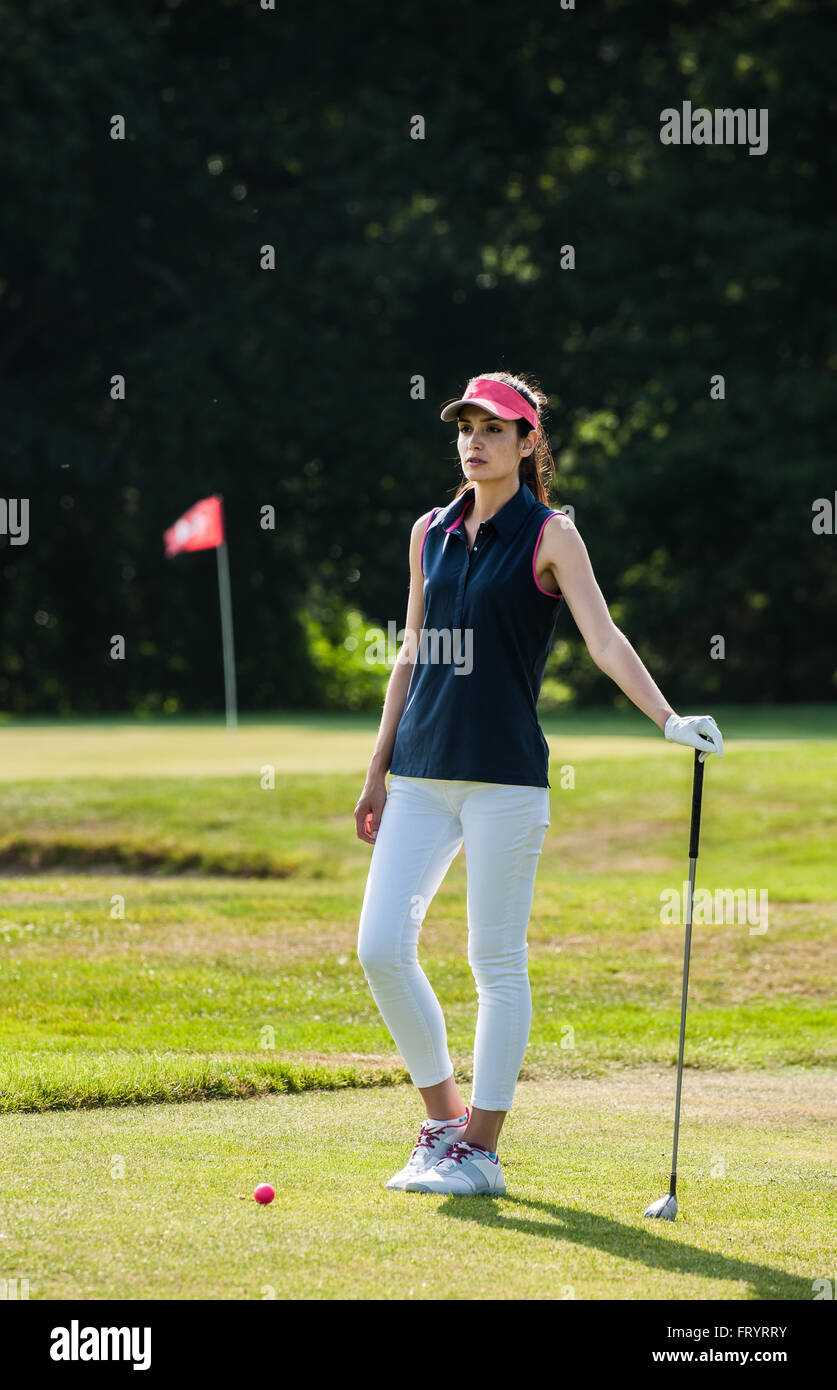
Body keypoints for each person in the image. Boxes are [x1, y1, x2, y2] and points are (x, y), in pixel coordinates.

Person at [354, 370, 723, 1196]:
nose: (474, 440)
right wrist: (376, 768)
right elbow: (409, 654)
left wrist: (667, 720)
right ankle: (443, 1123)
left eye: (494, 428)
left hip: (504, 780)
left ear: (528, 443)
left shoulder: (550, 534)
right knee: (380, 946)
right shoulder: (430, 530)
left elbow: (603, 638)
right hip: (417, 773)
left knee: (494, 959)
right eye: (465, 427)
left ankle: (480, 1152)